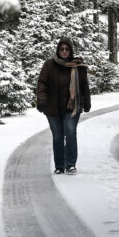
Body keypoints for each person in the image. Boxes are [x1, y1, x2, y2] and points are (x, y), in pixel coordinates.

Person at [35, 37, 90, 175]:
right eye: (62, 49)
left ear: (70, 51)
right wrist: (41, 100)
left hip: (72, 107)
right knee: (58, 136)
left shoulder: (78, 66)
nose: (64, 51)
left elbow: (84, 86)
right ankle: (59, 165)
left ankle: (70, 164)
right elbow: (42, 83)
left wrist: (87, 102)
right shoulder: (49, 65)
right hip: (52, 107)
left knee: (70, 132)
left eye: (67, 49)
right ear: (58, 50)